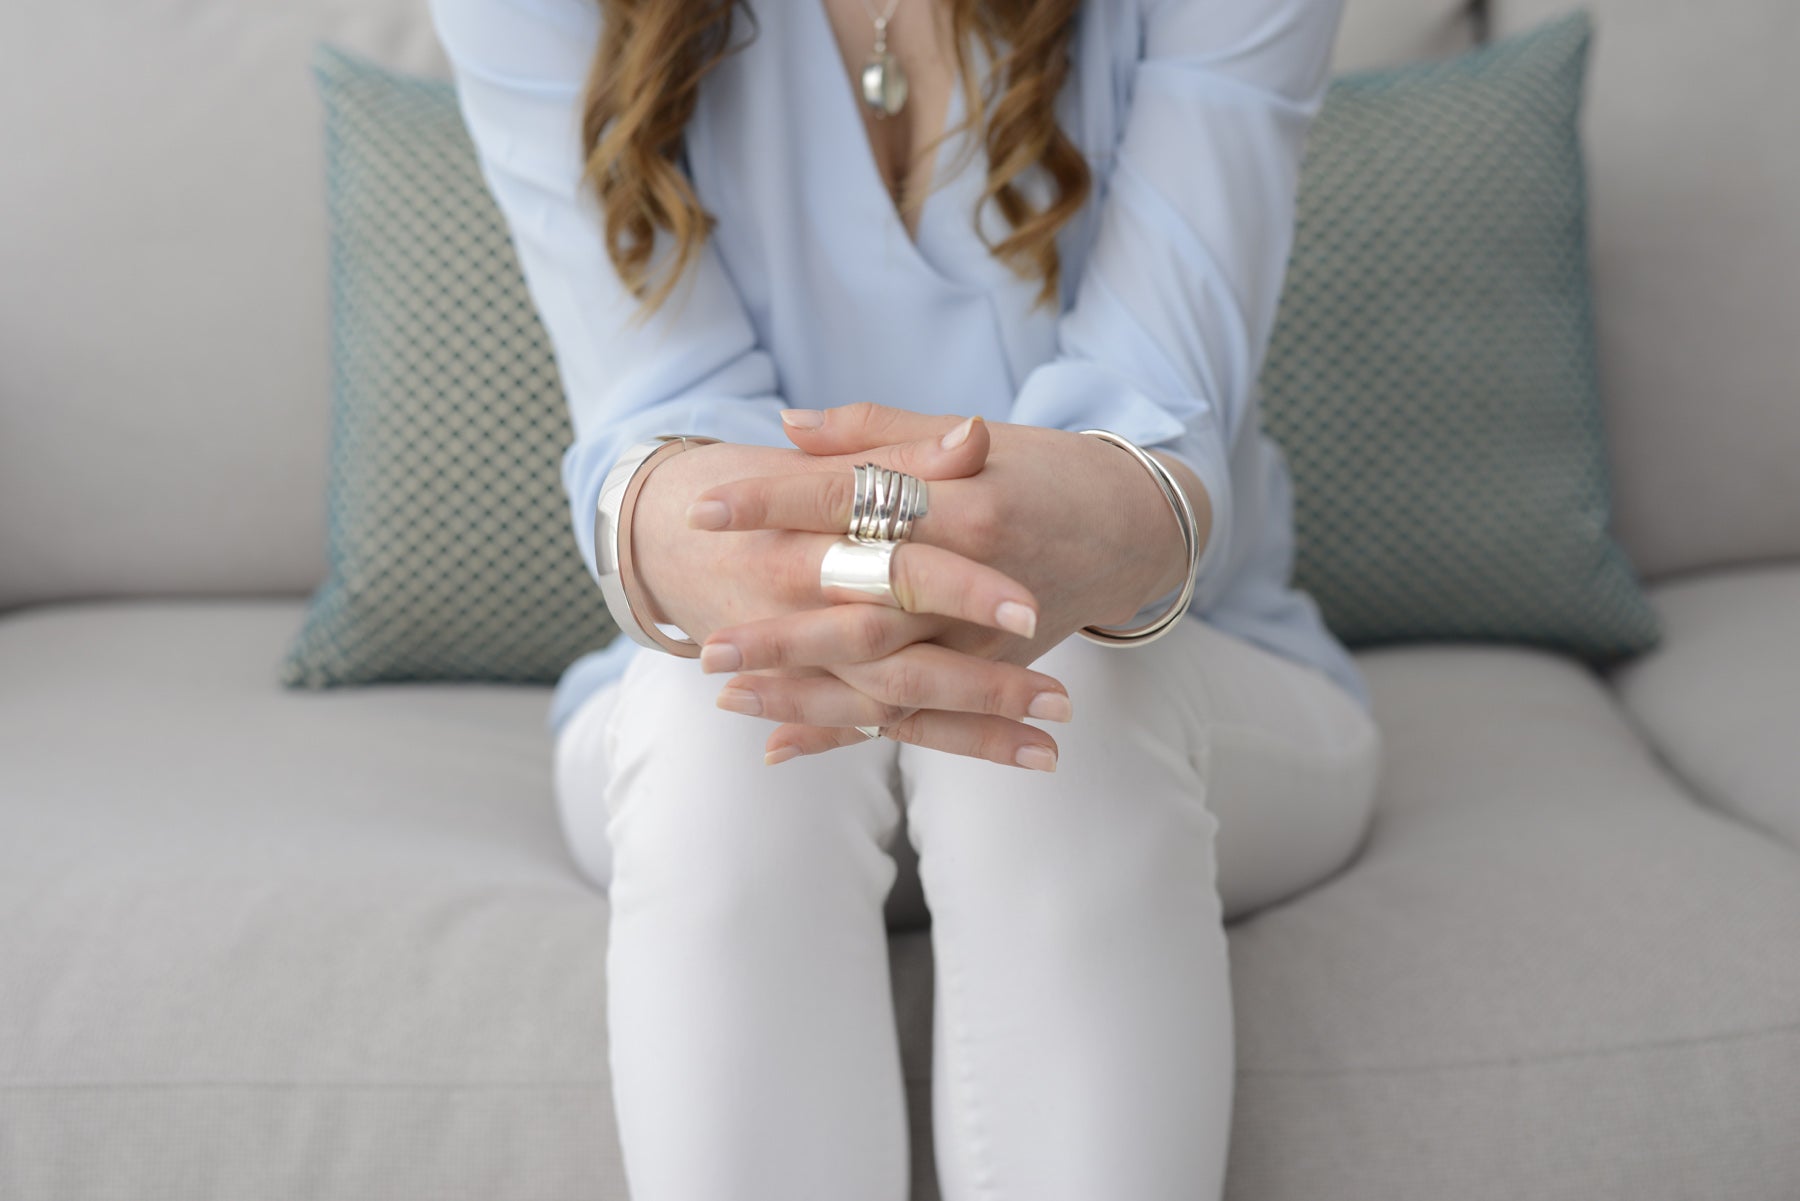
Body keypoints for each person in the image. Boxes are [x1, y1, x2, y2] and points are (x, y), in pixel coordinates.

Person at [430, 0, 1383, 1196]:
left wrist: (1024, 557)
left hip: (1191, 660)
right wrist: (822, 574)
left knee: (1053, 702)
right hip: (721, 678)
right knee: (727, 716)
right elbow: (659, 431)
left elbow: (1153, 418)